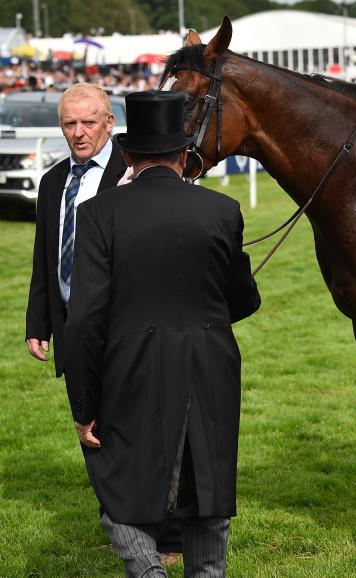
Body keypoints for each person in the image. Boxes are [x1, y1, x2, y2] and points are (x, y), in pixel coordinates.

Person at [63, 91, 261, 577]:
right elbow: (245, 299)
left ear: (128, 155)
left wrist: (83, 406)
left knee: (120, 492)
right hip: (210, 363)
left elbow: (85, 317)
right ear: (185, 155)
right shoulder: (223, 209)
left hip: (131, 369)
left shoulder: (98, 215)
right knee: (205, 489)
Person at [25, 83, 128, 372]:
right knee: (82, 416)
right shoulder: (51, 181)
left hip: (122, 326)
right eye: (70, 124)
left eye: (88, 122)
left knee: (117, 416)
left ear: (109, 123)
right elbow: (44, 258)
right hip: (70, 326)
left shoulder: (133, 172)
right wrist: (37, 323)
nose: (78, 132)